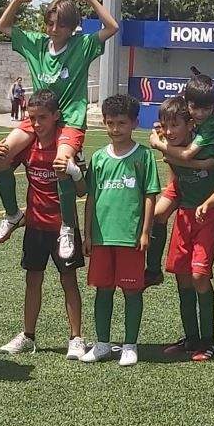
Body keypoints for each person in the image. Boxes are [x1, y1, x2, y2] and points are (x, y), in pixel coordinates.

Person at [0, 0, 118, 263]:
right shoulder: (36, 43)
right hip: (38, 119)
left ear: (73, 27)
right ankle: (13, 214)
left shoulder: (82, 45)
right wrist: (17, 1)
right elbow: (3, 25)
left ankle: (67, 227)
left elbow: (111, 27)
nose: (53, 29)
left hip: (69, 121)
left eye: (60, 25)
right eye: (49, 23)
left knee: (60, 163)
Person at [0, 90, 89, 360]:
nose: (36, 124)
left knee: (69, 281)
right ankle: (28, 336)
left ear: (56, 116)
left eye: (42, 118)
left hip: (64, 226)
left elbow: (83, 190)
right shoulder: (27, 145)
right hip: (35, 225)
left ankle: (76, 338)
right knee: (32, 280)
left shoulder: (68, 146)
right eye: (32, 118)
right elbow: (2, 168)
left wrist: (73, 170)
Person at [81, 94, 160, 366]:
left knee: (131, 291)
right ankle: (102, 343)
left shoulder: (143, 157)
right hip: (102, 237)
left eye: (122, 123)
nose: (116, 129)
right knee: (103, 290)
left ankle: (129, 344)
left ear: (134, 123)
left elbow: (150, 195)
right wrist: (88, 233)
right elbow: (91, 197)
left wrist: (145, 231)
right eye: (110, 123)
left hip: (130, 237)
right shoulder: (99, 158)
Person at [147, 93, 214, 361]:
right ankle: (191, 338)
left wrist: (161, 146)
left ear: (190, 124)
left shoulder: (206, 143)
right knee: (182, 277)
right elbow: (175, 183)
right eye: (164, 126)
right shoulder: (171, 146)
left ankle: (208, 341)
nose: (169, 132)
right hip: (184, 216)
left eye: (175, 126)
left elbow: (208, 164)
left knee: (199, 277)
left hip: (208, 215)